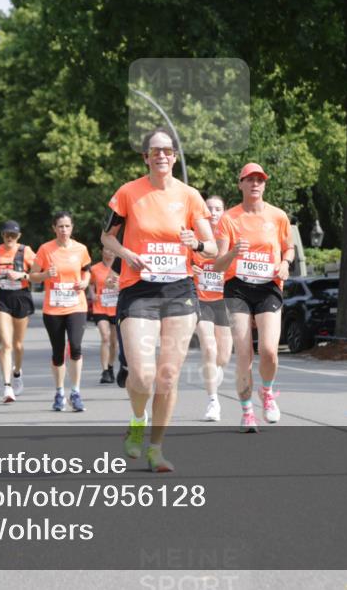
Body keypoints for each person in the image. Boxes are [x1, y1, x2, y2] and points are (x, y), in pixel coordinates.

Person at [101, 128, 216, 472]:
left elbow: (212, 249)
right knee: (141, 373)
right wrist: (126, 254)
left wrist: (194, 243)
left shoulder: (191, 196)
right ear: (146, 157)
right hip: (139, 290)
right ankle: (138, 420)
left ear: (175, 156)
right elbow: (106, 237)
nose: (161, 155)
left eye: (167, 150)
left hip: (179, 291)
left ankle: (156, 447)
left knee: (167, 375)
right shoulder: (128, 193)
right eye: (155, 151)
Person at [214, 163, 295, 432]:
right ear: (240, 184)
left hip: (268, 286)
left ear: (264, 185)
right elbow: (218, 265)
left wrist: (285, 263)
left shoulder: (278, 216)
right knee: (244, 352)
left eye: (260, 180)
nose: (255, 184)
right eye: (249, 180)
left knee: (269, 351)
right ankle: (247, 411)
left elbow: (289, 249)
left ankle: (267, 392)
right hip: (237, 287)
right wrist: (234, 252)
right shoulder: (229, 219)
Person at [29, 211, 92, 412]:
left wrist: (85, 282)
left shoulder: (81, 249)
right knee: (58, 353)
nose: (64, 230)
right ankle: (59, 392)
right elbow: (32, 276)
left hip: (76, 305)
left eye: (67, 226)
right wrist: (46, 274)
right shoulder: (46, 249)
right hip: (53, 308)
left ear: (72, 228)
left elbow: (87, 270)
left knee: (75, 347)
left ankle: (75, 391)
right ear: (54, 228)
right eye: (60, 226)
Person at [192, 195, 232, 422]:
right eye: (210, 209)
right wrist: (192, 269)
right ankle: (213, 401)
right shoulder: (196, 240)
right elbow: (182, 264)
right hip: (201, 299)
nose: (214, 212)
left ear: (224, 212)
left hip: (224, 301)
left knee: (223, 356)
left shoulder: (230, 237)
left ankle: (213, 374)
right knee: (209, 347)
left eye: (218, 209)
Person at [0, 220, 36, 403]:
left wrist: (22, 275)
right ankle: (7, 387)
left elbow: (37, 274)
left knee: (17, 344)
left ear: (19, 236)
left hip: (21, 297)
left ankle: (17, 372)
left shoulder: (26, 251)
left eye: (13, 235)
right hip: (2, 297)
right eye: (7, 234)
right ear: (2, 235)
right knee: (6, 344)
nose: (10, 238)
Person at [89, 247, 119, 384]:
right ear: (102, 252)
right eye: (107, 250)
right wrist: (92, 293)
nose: (110, 252)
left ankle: (111, 366)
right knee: (105, 337)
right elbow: (90, 283)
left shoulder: (120, 268)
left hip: (116, 308)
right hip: (100, 307)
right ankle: (105, 370)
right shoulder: (95, 269)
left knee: (114, 342)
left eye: (112, 250)